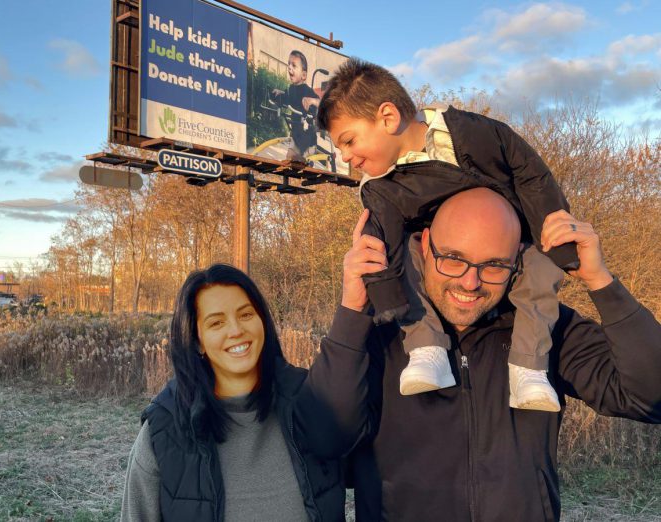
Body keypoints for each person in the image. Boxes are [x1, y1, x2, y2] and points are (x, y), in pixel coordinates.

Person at [300, 188, 661, 521]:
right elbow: (322, 439)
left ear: (518, 259)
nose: (470, 283)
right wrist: (351, 311)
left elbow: (650, 397)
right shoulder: (379, 331)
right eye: (453, 259)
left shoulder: (546, 328)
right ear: (424, 244)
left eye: (493, 265)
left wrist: (602, 282)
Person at [316, 58, 576, 411]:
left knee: (542, 271)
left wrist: (556, 229)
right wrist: (388, 298)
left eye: (348, 141)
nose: (347, 157)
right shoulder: (378, 189)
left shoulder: (470, 134)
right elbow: (381, 246)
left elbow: (530, 172)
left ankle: (528, 370)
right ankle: (426, 350)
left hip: (514, 244)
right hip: (441, 262)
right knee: (406, 252)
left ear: (388, 117)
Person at [120, 264, 345, 521]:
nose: (236, 330)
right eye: (216, 322)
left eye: (246, 314)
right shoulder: (164, 430)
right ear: (197, 341)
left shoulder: (310, 402)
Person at [274, 50, 320, 161]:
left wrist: (312, 101)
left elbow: (321, 102)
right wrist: (280, 94)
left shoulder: (306, 90)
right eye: (289, 64)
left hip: (307, 139)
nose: (289, 67)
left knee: (299, 161)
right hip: (296, 136)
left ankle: (309, 153)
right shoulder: (290, 89)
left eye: (294, 65)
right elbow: (287, 98)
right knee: (289, 159)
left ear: (304, 75)